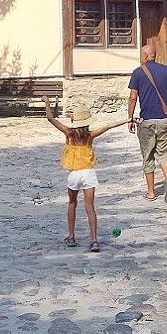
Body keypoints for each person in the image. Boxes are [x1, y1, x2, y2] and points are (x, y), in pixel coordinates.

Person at [44, 98, 127, 252]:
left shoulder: (68, 133)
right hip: (89, 173)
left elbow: (50, 118)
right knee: (90, 208)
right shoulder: (90, 135)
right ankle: (94, 241)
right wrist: (129, 120)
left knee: (72, 203)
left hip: (74, 174)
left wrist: (47, 102)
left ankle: (71, 237)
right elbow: (109, 126)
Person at [128, 44, 167, 203]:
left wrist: (130, 118)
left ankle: (151, 192)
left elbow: (133, 98)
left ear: (145, 56)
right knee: (164, 153)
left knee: (148, 156)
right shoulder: (166, 70)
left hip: (146, 121)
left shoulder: (138, 73)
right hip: (164, 120)